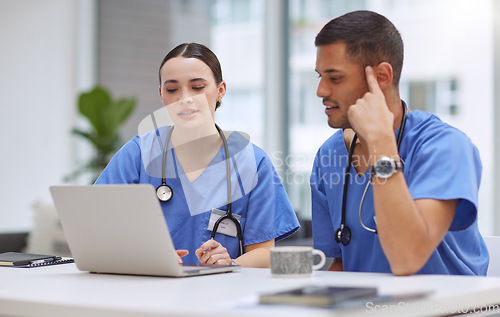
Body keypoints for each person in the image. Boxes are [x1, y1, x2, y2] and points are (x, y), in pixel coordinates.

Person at [310, 10, 489, 275]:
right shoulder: (330, 155)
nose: (321, 91)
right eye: (320, 77)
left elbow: (407, 258)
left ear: (382, 77)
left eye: (335, 78)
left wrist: (381, 143)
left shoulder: (445, 147)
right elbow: (339, 264)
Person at [95, 42, 299, 268]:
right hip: (150, 291)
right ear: (161, 95)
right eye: (172, 89)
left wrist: (230, 262)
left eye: (197, 87)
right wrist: (143, 254)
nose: (185, 98)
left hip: (220, 295)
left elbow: (263, 252)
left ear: (220, 90)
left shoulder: (252, 162)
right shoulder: (138, 154)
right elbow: (98, 230)